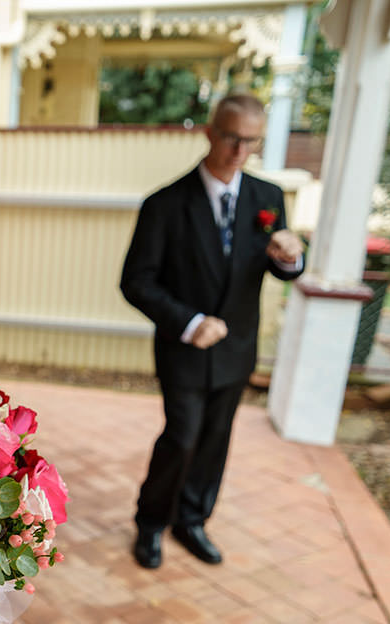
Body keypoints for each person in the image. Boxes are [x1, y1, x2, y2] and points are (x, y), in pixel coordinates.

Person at [120, 95, 305, 569]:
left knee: (216, 437)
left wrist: (290, 257)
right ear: (209, 132)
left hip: (238, 348)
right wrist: (190, 322)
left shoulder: (268, 199)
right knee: (182, 436)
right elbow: (136, 282)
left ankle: (193, 520)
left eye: (251, 141)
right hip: (183, 348)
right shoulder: (164, 204)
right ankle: (151, 522)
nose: (240, 150)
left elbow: (280, 269)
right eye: (231, 137)